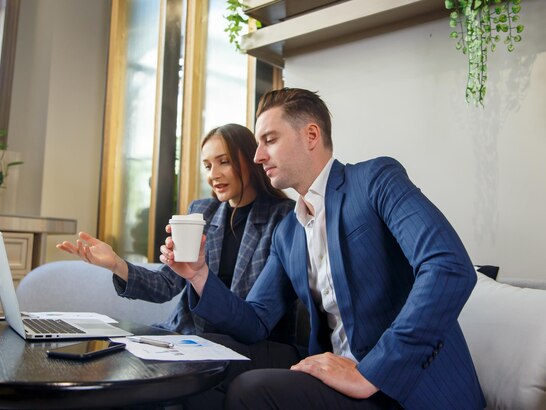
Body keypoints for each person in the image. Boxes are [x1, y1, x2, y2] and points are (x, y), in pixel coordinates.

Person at [160, 88, 486, 409]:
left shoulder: (374, 181)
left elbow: (447, 266)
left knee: (251, 389)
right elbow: (256, 321)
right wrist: (199, 275)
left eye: (269, 140)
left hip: (402, 386)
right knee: (195, 361)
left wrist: (371, 373)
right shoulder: (288, 232)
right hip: (334, 380)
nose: (258, 156)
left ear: (311, 135)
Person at [56, 123, 296, 341]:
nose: (213, 175)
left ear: (251, 159)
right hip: (187, 334)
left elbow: (261, 314)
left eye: (224, 161)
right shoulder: (202, 212)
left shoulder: (283, 218)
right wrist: (116, 264)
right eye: (208, 166)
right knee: (114, 348)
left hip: (241, 340)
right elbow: (166, 284)